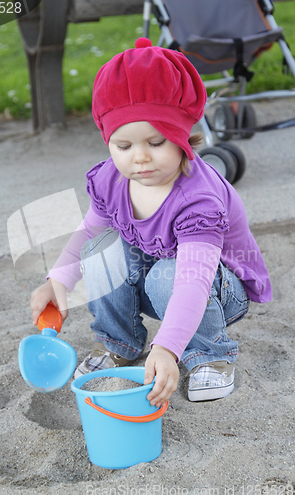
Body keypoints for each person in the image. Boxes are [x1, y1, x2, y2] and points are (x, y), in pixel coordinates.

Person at [30, 38, 272, 407]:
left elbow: (192, 281)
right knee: (101, 250)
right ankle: (120, 343)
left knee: (167, 275)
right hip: (160, 279)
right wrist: (57, 279)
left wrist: (167, 349)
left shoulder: (197, 198)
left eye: (156, 142)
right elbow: (89, 232)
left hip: (216, 291)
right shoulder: (112, 180)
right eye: (123, 146)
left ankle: (211, 354)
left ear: (181, 137)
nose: (139, 158)